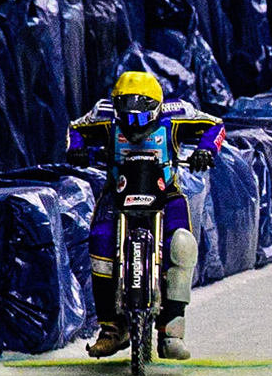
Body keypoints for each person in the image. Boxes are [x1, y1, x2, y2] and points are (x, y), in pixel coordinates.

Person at [66, 71, 224, 360]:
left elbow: (215, 125)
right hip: (118, 193)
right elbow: (75, 128)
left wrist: (205, 150)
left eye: (139, 119)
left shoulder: (177, 115)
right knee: (100, 242)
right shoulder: (103, 116)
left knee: (182, 245)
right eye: (126, 117)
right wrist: (76, 149)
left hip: (166, 194)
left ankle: (171, 332)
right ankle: (112, 329)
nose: (132, 125)